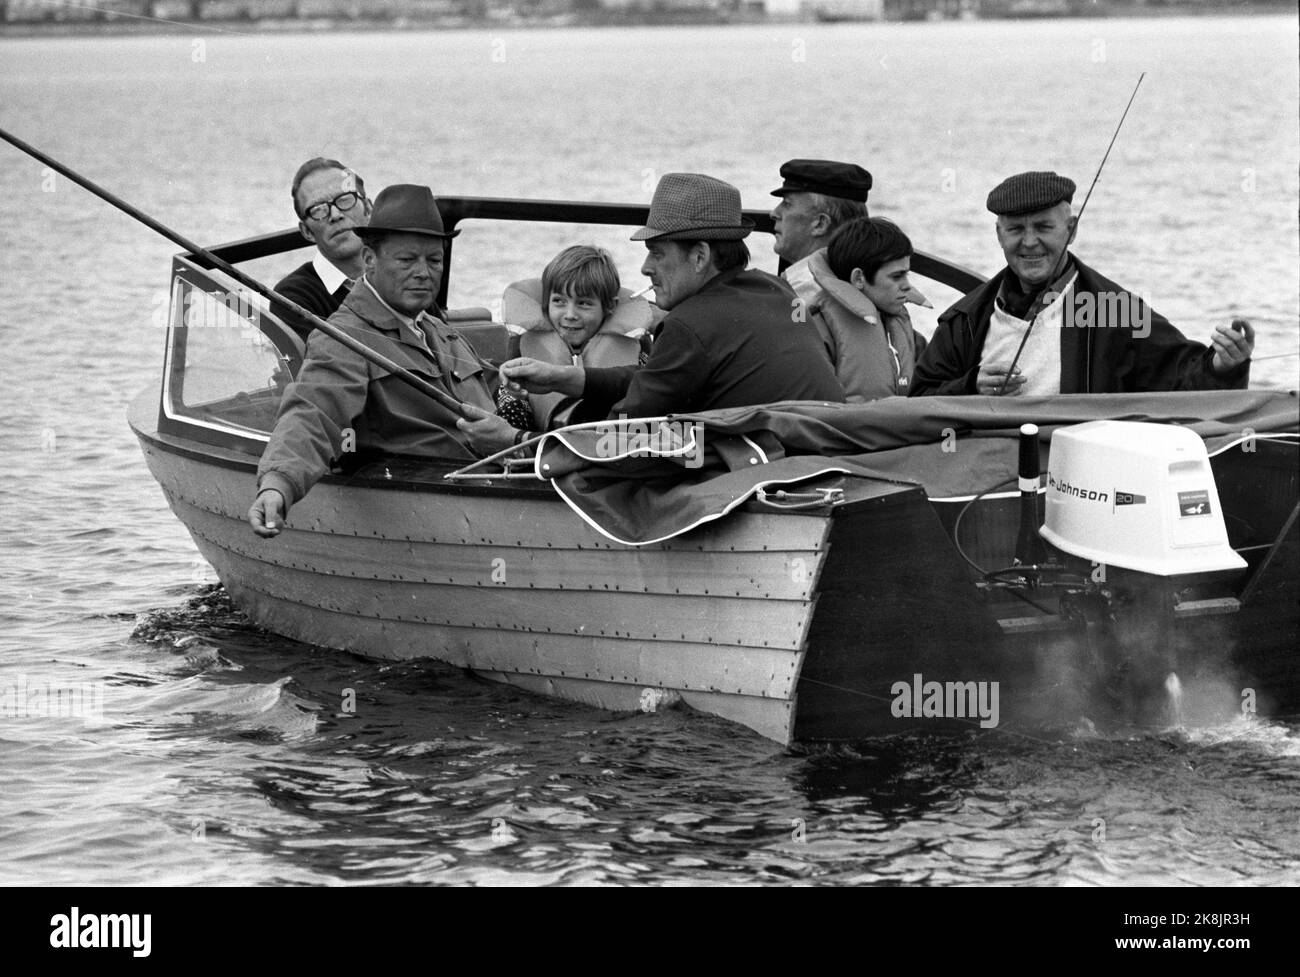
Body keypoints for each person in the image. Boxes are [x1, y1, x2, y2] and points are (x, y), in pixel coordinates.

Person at [248, 184, 511, 538]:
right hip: (445, 515)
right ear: (369, 260)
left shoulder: (436, 328)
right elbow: (312, 412)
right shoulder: (343, 337)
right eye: (406, 260)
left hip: (506, 482)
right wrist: (278, 484)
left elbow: (495, 391)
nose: (423, 272)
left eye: (434, 260)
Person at [501, 173, 845, 419]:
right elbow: (658, 379)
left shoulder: (690, 325)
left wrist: (519, 442)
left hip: (766, 481)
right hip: (820, 458)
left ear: (699, 256)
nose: (646, 268)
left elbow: (620, 441)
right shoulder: (778, 292)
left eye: (658, 253)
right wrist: (565, 377)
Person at [910, 171, 1255, 396]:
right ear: (998, 234)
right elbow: (919, 398)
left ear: (1071, 230)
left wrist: (1224, 365)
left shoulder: (1108, 308)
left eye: (1044, 227)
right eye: (1016, 229)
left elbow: (1182, 379)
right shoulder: (969, 317)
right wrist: (970, 386)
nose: (1029, 243)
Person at [500, 245, 649, 431]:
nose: (570, 314)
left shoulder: (634, 343)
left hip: (611, 438)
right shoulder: (522, 341)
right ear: (547, 303)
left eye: (584, 304)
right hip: (544, 439)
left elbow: (649, 392)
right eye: (559, 301)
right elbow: (509, 395)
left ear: (609, 305)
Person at [806, 217, 928, 401]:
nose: (907, 286)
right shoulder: (817, 326)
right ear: (859, 279)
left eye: (906, 275)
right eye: (897, 276)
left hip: (901, 427)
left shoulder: (907, 332)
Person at [271, 157, 372, 340]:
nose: (335, 215)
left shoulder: (400, 272)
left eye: (345, 199)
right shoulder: (292, 298)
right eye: (318, 209)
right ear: (307, 231)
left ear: (368, 208)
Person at [769, 158, 872, 305]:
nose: (774, 213)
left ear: (820, 224)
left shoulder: (802, 291)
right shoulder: (872, 282)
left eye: (787, 204)